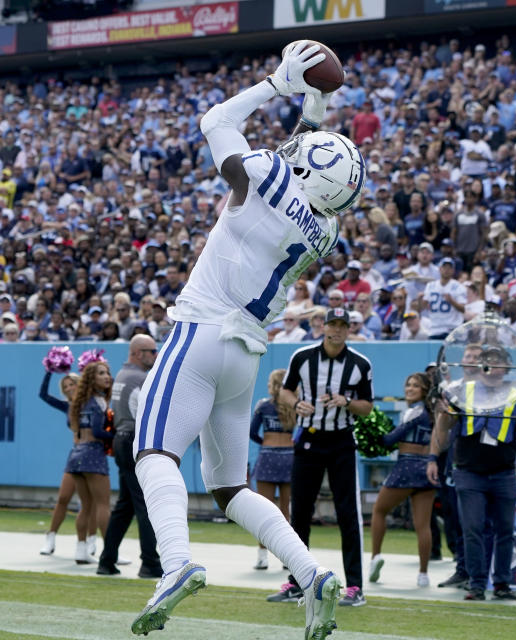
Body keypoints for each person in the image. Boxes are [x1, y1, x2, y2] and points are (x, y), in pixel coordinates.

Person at [130, 42, 360, 638]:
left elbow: (216, 122)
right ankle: (311, 574)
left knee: (153, 452)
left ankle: (175, 562)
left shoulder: (265, 176)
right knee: (231, 487)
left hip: (200, 331)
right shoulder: (325, 229)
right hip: (246, 352)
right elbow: (303, 165)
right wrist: (313, 107)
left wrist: (277, 84)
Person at [272, 307, 374, 606]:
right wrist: (298, 404)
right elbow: (285, 392)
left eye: (343, 325)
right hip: (309, 440)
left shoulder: (360, 363)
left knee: (348, 514)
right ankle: (296, 581)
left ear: (348, 329)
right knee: (300, 511)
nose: (337, 330)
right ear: (321, 325)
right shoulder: (302, 357)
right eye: (332, 324)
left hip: (342, 441)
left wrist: (348, 402)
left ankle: (355, 586)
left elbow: (367, 406)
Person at [427, 345, 516, 601]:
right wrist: (443, 415)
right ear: (480, 366)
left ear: (508, 367)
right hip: (469, 471)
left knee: (504, 530)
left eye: (497, 360)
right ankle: (476, 583)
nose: (492, 365)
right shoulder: (461, 391)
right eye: (487, 360)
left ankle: (501, 584)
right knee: (473, 527)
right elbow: (443, 430)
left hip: (503, 471)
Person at [99, 335, 162, 578]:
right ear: (137, 353)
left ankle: (107, 560)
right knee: (144, 504)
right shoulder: (140, 378)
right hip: (134, 440)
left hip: (122, 439)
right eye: (152, 351)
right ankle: (150, 563)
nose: (155, 355)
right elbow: (148, 415)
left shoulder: (123, 376)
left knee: (125, 505)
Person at [368, 372, 437, 588]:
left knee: (379, 510)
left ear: (425, 391)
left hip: (407, 466)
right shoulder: (434, 413)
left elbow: (390, 439)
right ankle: (423, 574)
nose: (409, 389)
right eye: (408, 385)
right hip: (427, 468)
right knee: (423, 524)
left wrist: (373, 429)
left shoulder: (413, 413)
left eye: (415, 386)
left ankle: (375, 557)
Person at [67, 358, 115, 565]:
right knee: (103, 505)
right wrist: (116, 433)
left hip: (76, 454)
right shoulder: (97, 401)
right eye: (101, 373)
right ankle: (109, 553)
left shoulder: (81, 402)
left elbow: (75, 427)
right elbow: (97, 431)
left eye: (107, 373)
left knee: (86, 506)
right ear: (91, 379)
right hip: (93, 454)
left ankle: (81, 550)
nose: (107, 377)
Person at [249, 369, 296, 571]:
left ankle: (262, 557)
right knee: (287, 511)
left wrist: (265, 443)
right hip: (290, 458)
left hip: (268, 456)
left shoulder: (263, 406)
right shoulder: (296, 407)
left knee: (265, 511)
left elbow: (252, 431)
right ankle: (287, 558)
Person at [37, 369, 87, 556]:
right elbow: (42, 395)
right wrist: (49, 371)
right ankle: (50, 537)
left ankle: (89, 542)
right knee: (63, 497)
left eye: (72, 384)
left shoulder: (91, 402)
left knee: (89, 503)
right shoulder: (67, 406)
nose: (69, 388)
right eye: (65, 387)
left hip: (93, 453)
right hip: (76, 453)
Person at [423, 257, 467, 339]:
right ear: (439, 269)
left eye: (449, 268)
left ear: (453, 270)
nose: (446, 270)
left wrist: (452, 301)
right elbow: (422, 307)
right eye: (444, 267)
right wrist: (420, 300)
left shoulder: (459, 287)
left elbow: (463, 309)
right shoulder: (430, 286)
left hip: (451, 329)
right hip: (434, 329)